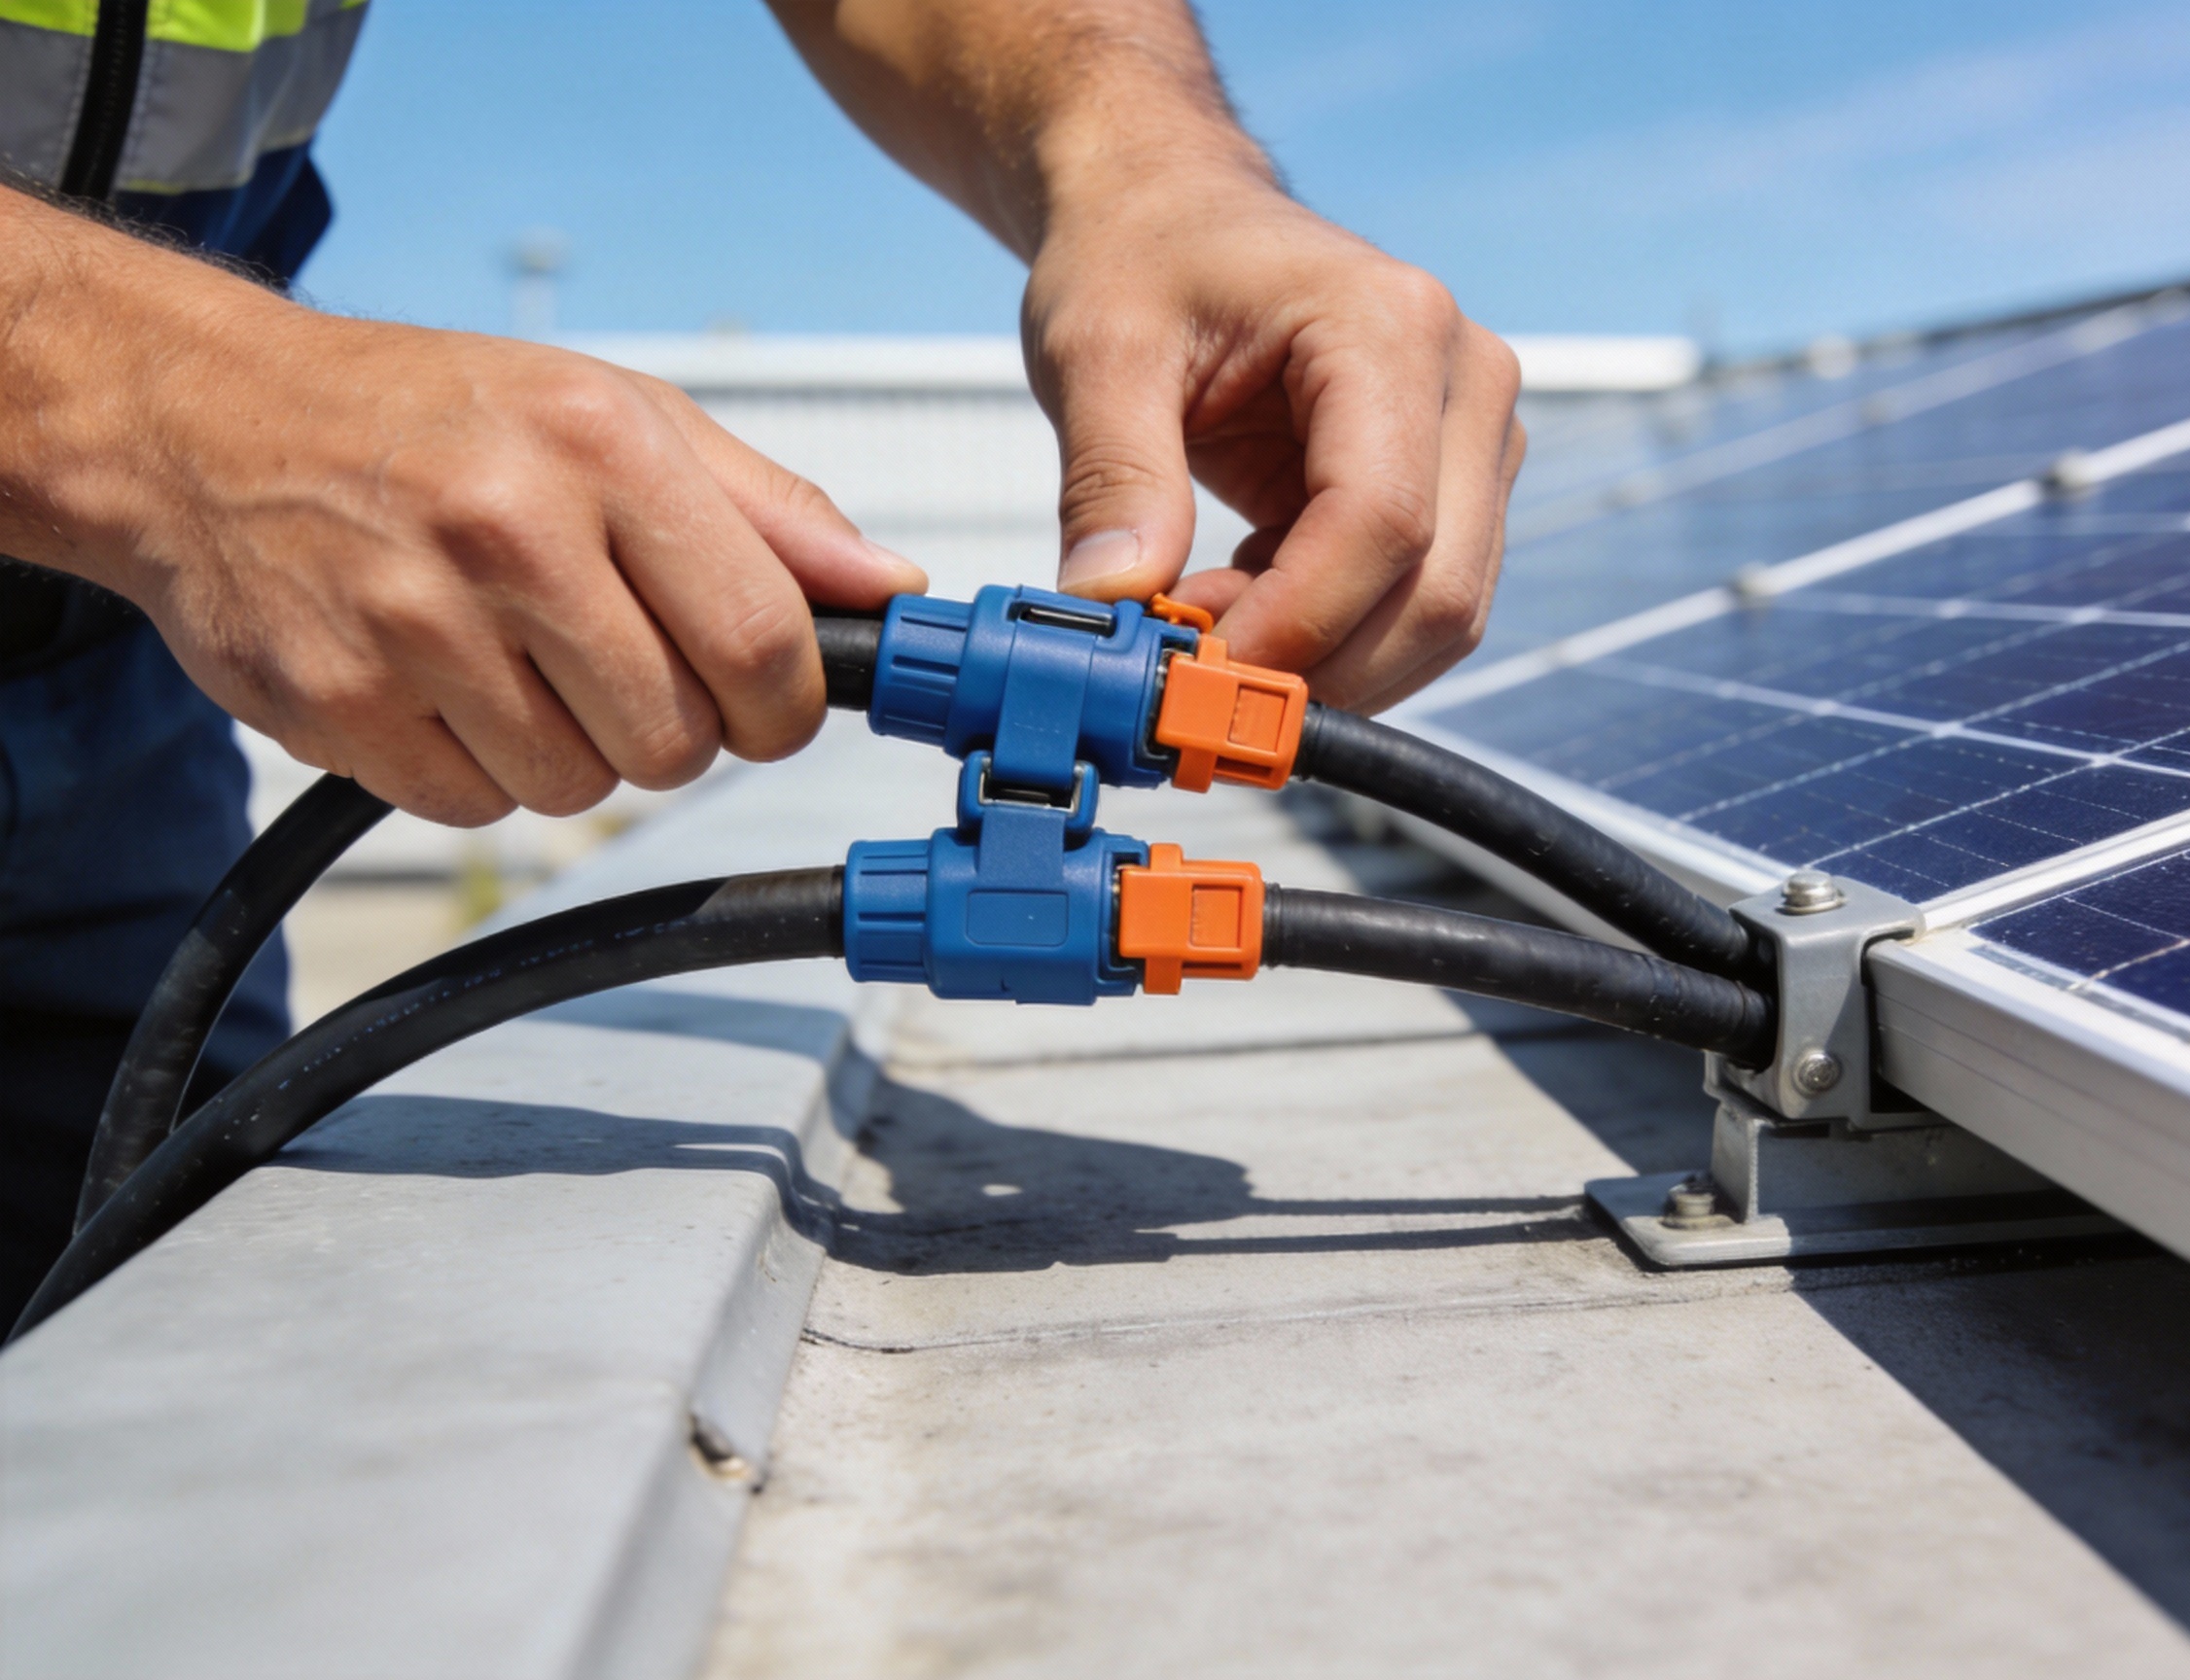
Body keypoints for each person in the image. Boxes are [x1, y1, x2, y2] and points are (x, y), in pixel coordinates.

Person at [0, 0, 1525, 1320]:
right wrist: (141, 398)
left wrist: (1142, 156)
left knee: (131, 1374)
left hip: (96, 689)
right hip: (110, 545)